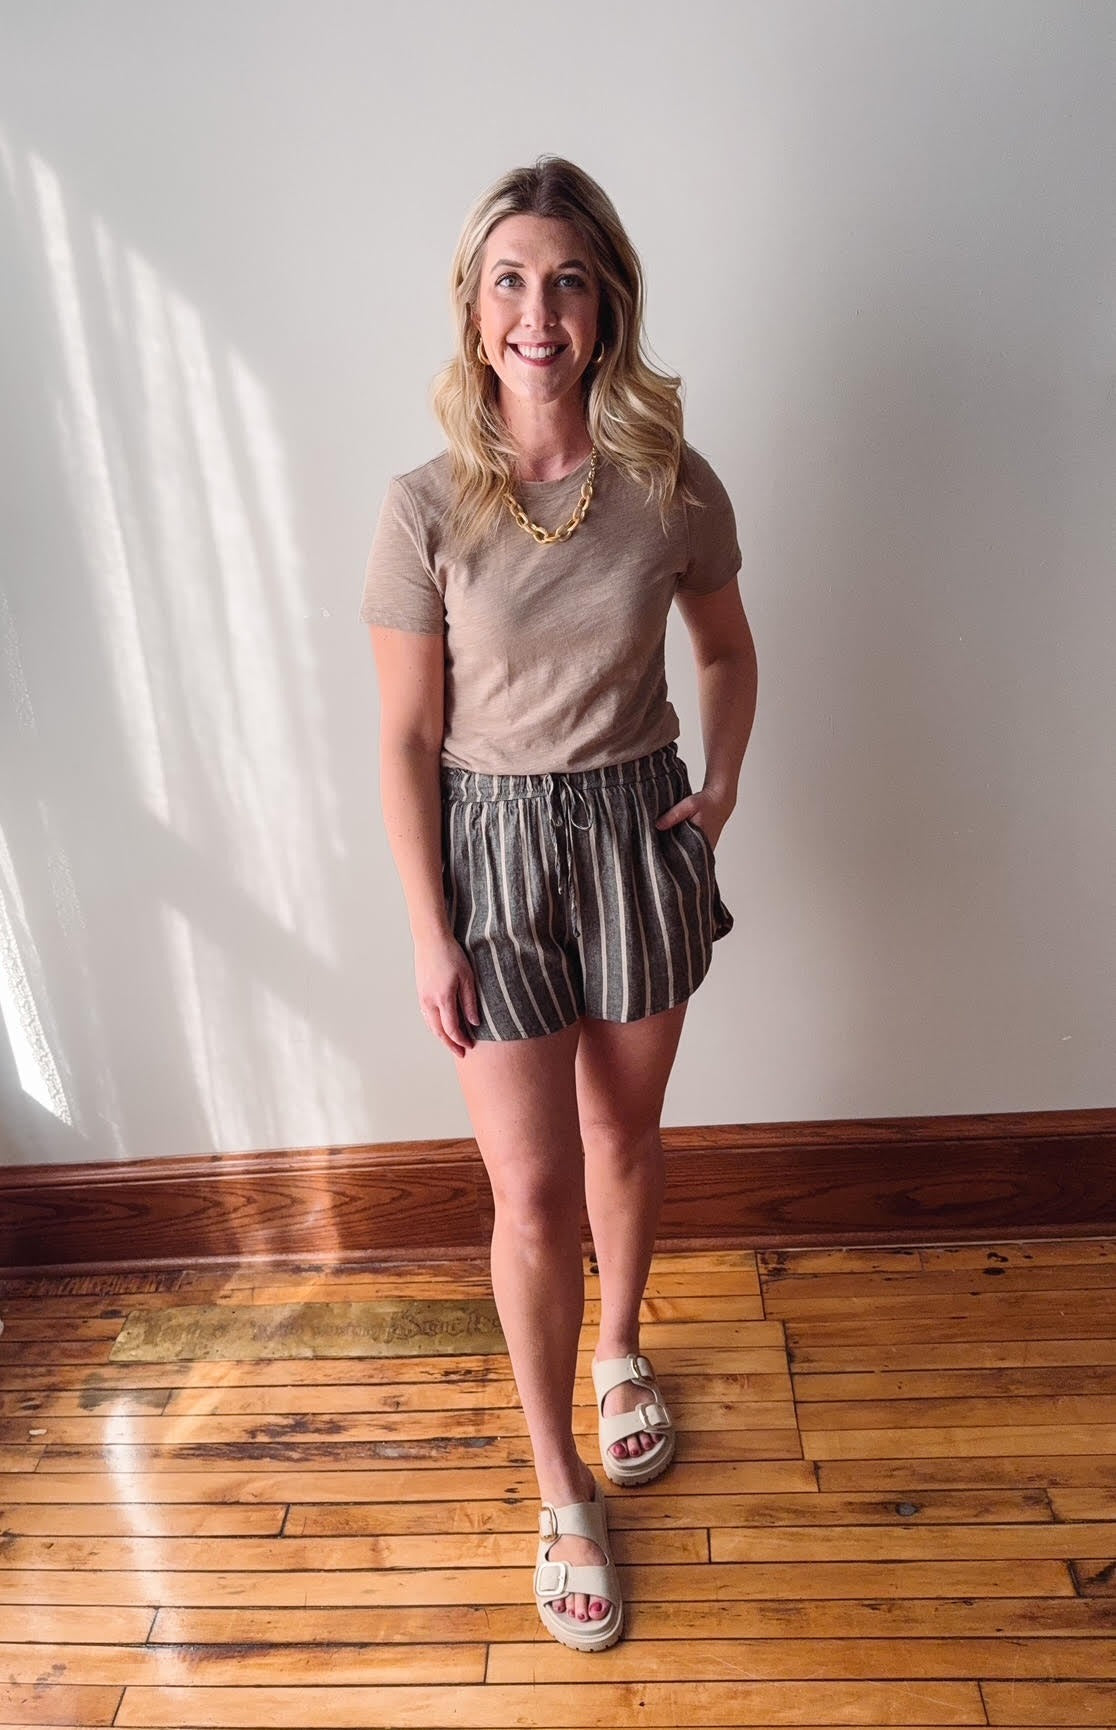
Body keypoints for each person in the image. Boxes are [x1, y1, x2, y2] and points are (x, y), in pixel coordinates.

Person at [360, 156, 758, 1652]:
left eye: (569, 281)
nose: (539, 311)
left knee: (624, 1137)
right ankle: (559, 1487)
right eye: (512, 280)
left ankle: (621, 1351)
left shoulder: (670, 481)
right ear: (475, 308)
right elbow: (406, 739)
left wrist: (721, 786)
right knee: (528, 1194)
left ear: (608, 308)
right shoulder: (422, 508)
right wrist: (429, 928)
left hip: (637, 833)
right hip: (495, 853)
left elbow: (728, 649)